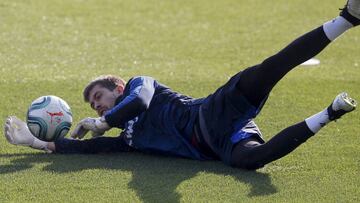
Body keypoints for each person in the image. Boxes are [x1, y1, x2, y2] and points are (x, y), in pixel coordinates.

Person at [4, 1, 359, 170]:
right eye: (94, 106)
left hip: (212, 111)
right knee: (254, 161)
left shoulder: (141, 86)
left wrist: (105, 120)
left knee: (270, 69)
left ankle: (347, 18)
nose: (96, 106)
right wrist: (34, 142)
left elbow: (140, 101)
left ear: (118, 87)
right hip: (217, 144)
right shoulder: (128, 140)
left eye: (99, 97)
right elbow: (88, 151)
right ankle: (331, 112)